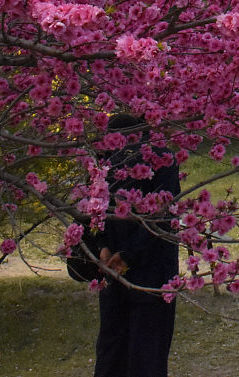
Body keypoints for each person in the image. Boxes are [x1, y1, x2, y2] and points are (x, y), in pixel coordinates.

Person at [94, 113, 181, 377]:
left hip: (114, 265)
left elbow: (95, 209)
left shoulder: (106, 159)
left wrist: (103, 248)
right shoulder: (163, 158)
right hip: (150, 269)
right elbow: (163, 216)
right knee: (147, 353)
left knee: (112, 348)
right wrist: (125, 254)